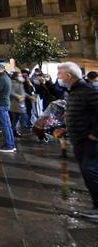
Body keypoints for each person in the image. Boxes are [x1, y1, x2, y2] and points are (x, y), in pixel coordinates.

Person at [53, 62, 98, 218]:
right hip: (78, 138)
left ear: (68, 75)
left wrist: (94, 134)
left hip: (89, 141)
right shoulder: (73, 91)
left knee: (90, 171)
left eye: (59, 74)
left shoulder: (87, 90)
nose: (58, 77)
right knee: (87, 173)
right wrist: (66, 128)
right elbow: (78, 113)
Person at [9, 72, 26, 137]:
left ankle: (13, 131)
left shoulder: (20, 83)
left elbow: (23, 92)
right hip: (15, 104)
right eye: (20, 76)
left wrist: (29, 97)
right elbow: (11, 92)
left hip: (20, 104)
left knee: (16, 118)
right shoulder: (13, 83)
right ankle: (13, 131)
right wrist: (18, 97)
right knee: (17, 118)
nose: (21, 77)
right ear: (15, 77)